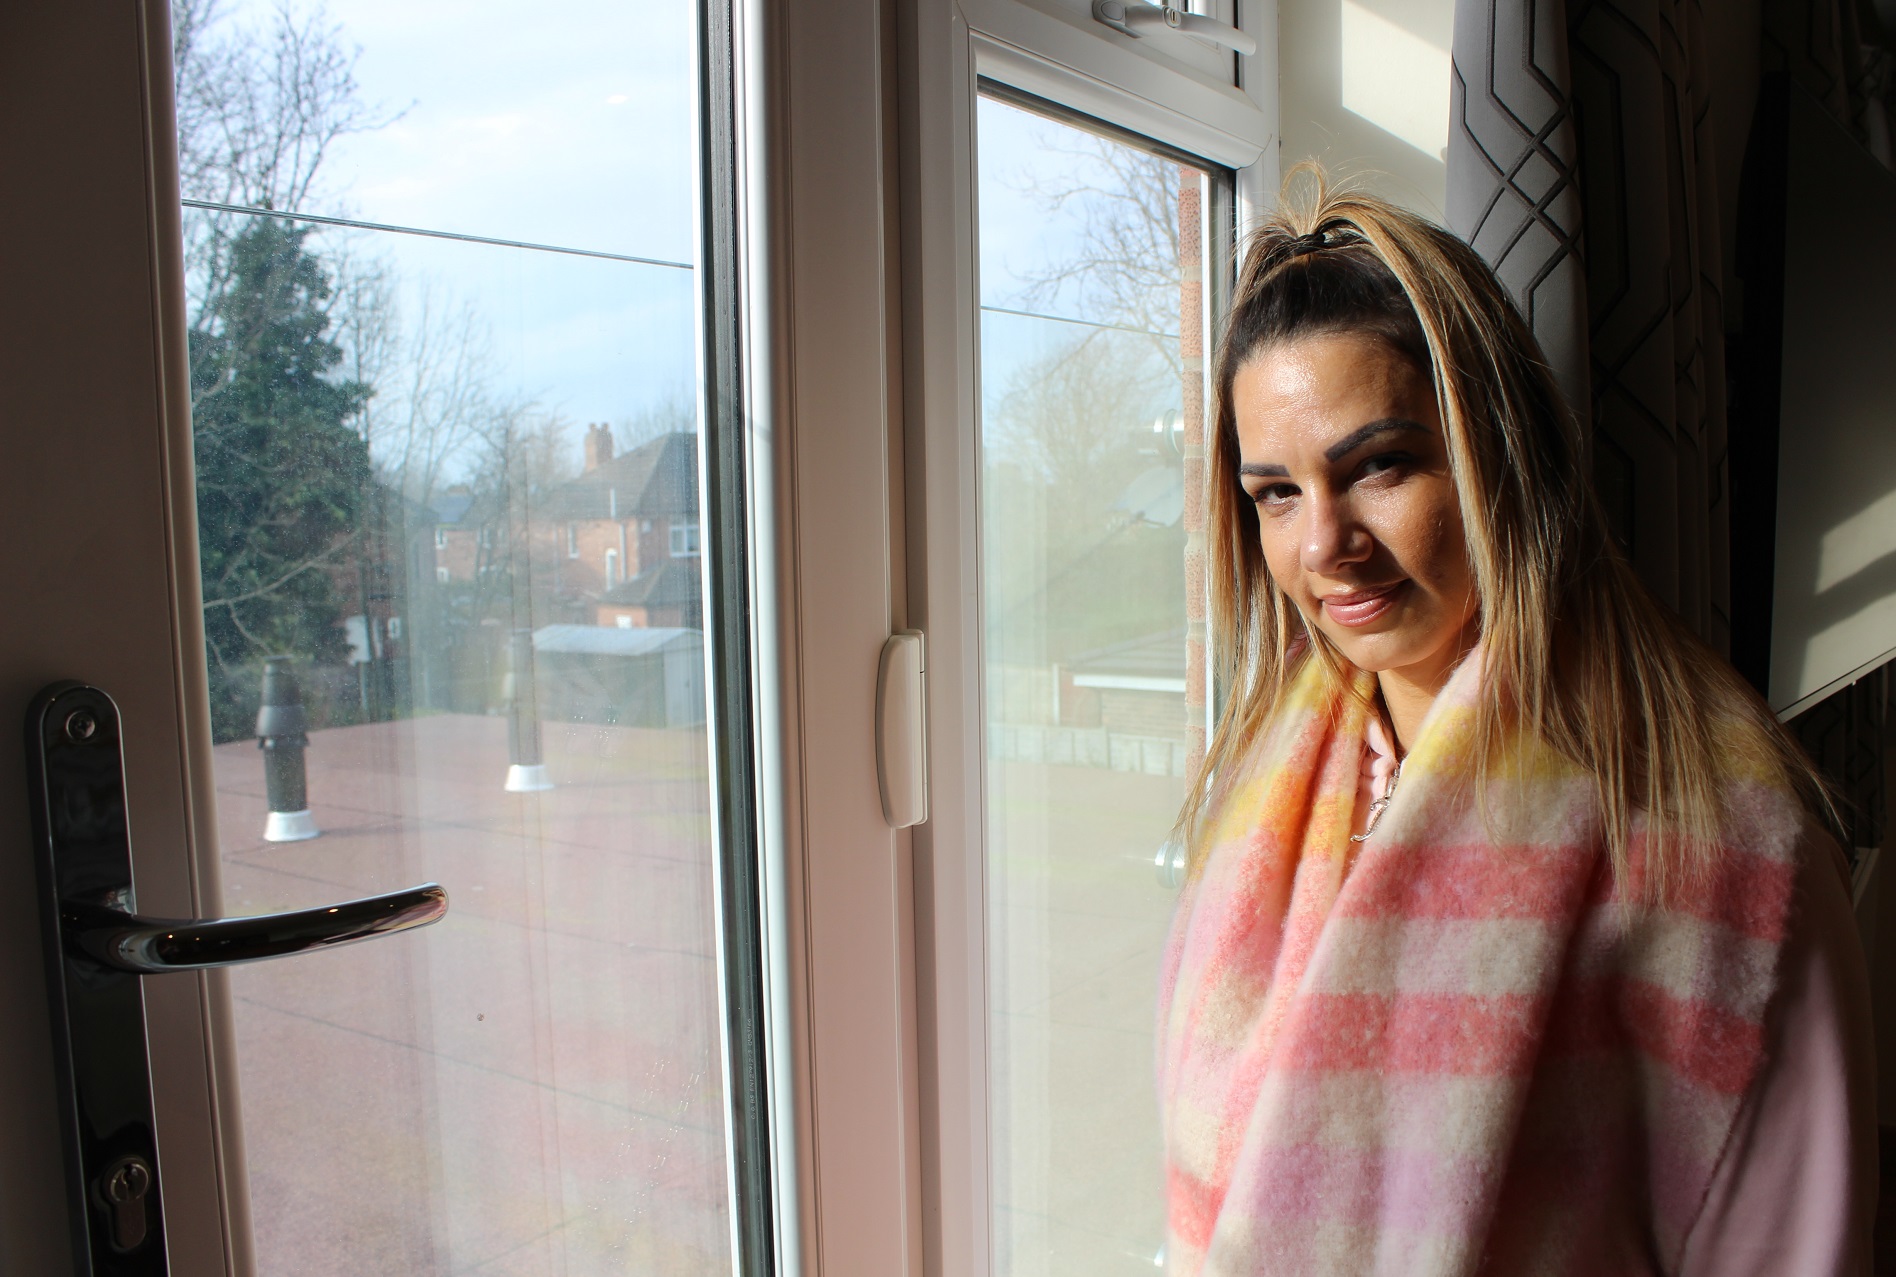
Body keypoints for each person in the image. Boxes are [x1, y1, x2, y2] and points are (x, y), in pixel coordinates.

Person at [1156, 168, 1877, 1275]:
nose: (1324, 545)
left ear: (1499, 448)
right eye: (1276, 492)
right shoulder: (1259, 806)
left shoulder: (1721, 837)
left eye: (1380, 464)